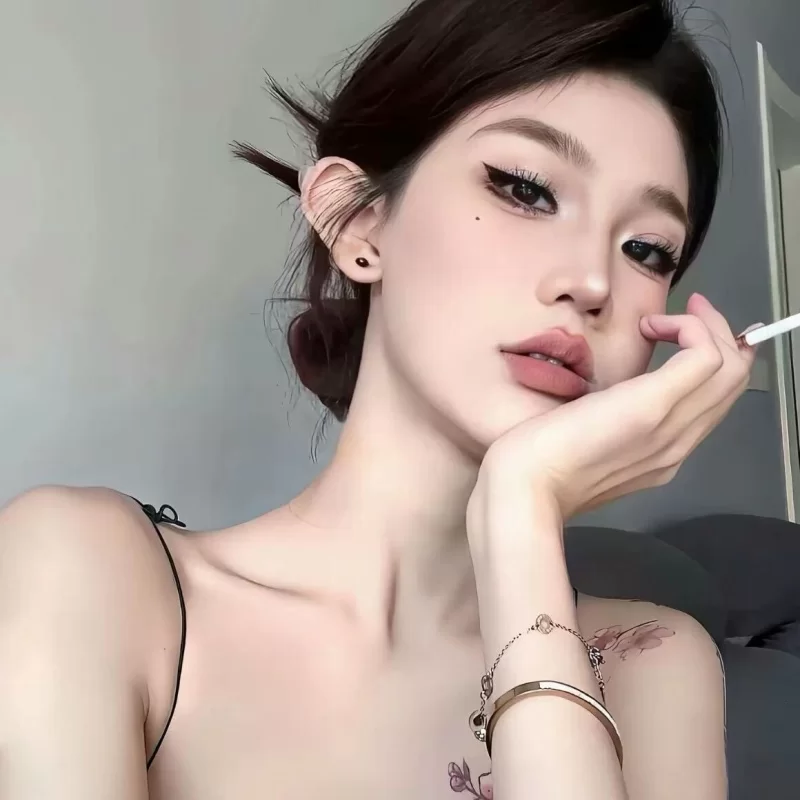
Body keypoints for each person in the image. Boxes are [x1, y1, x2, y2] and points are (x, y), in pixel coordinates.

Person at [0, 0, 754, 798]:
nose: (594, 281)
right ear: (357, 221)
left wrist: (521, 514)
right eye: (526, 189)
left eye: (646, 249)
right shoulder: (88, 575)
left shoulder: (651, 661)